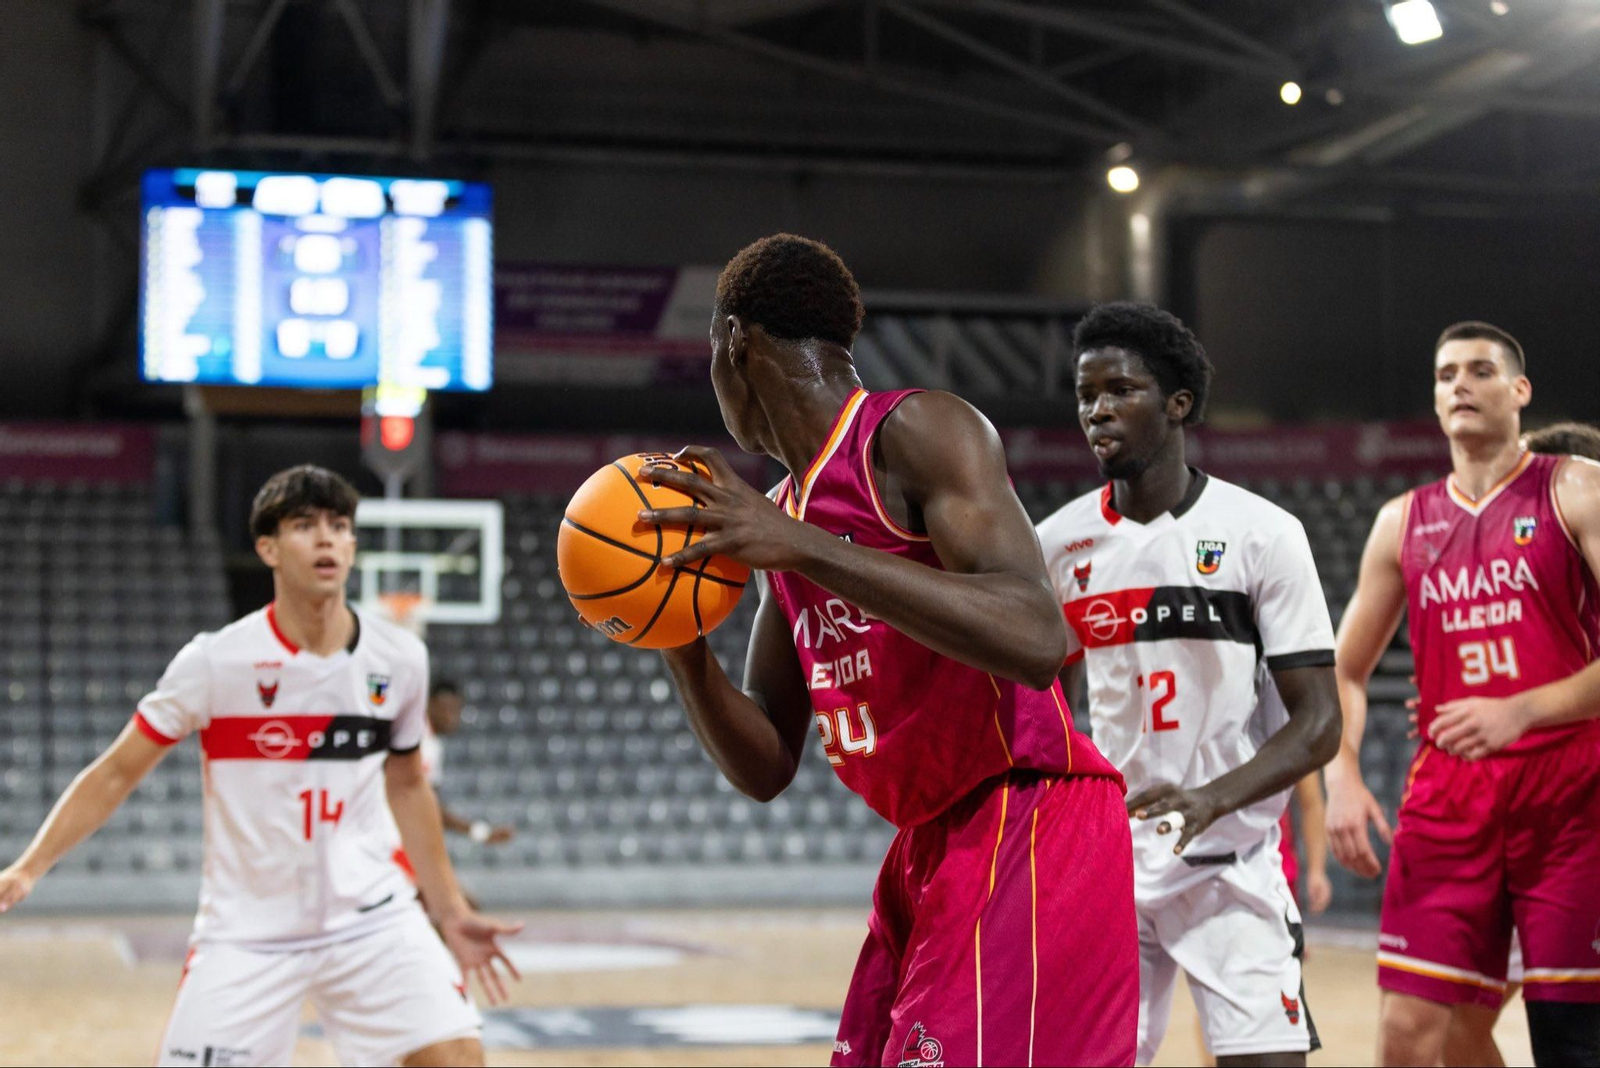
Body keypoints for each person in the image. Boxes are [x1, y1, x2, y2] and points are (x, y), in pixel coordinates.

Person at [641, 233, 1137, 1066]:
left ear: (733, 341)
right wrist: (679, 640)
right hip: (928, 845)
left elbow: (1037, 635)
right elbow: (767, 763)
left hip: (1026, 812)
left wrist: (803, 548)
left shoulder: (916, 431)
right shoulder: (783, 514)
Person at [0, 465, 521, 1068]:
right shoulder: (215, 662)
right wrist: (29, 867)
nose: (326, 539)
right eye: (304, 526)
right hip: (248, 933)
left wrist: (449, 908)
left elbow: (407, 786)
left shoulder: (401, 658)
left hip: (373, 921)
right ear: (268, 548)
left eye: (339, 526)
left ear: (353, 544)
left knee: (456, 1058)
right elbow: (117, 771)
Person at [1035, 302, 1342, 1067]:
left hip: (1228, 866)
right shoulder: (1057, 544)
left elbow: (1319, 724)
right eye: (1086, 395)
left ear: (1178, 404)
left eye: (1120, 390)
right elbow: (1037, 700)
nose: (1097, 411)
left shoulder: (1263, 533)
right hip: (1109, 867)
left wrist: (1210, 799)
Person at [1325, 322, 1600, 1067]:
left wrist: (1522, 709)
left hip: (1570, 793)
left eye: (1480, 371)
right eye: (1446, 375)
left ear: (1520, 390)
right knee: (1413, 1033)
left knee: (1569, 1039)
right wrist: (1342, 775)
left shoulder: (1576, 488)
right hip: (1450, 796)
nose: (1460, 386)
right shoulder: (1402, 521)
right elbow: (1343, 671)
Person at [1429, 419, 1600, 1068]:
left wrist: (1522, 710)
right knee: (1451, 1022)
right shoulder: (1529, 604)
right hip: (1532, 823)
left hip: (1579, 822)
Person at [423, 680, 514, 846]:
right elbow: (428, 806)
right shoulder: (419, 741)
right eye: (445, 709)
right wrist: (481, 833)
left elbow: (431, 805)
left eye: (456, 710)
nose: (451, 717)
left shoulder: (432, 743)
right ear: (429, 705)